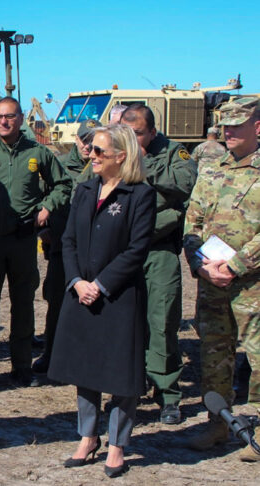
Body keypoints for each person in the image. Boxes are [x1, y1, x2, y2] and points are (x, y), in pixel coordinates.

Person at [48, 124, 156, 479]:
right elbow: (68, 240)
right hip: (81, 295)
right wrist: (77, 282)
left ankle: (117, 445)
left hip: (119, 296)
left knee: (122, 374)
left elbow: (136, 249)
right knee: (85, 368)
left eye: (98, 151)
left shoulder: (139, 195)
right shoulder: (84, 189)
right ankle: (88, 436)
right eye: (90, 149)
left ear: (120, 157)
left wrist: (102, 284)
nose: (90, 155)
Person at [0, 97, 71, 388]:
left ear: (21, 118)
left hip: (23, 240)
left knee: (23, 304)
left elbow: (63, 184)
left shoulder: (38, 152)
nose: (4, 121)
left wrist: (47, 208)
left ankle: (22, 366)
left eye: (10, 116)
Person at [183, 97, 260, 461]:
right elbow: (192, 222)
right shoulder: (211, 168)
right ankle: (218, 422)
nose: (227, 131)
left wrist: (236, 266)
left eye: (236, 125)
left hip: (252, 285)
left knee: (259, 358)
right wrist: (200, 264)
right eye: (225, 125)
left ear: (257, 127)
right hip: (211, 283)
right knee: (214, 355)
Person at [120, 104, 197, 424]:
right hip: (122, 252)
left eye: (138, 134)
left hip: (159, 250)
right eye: (127, 133)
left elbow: (185, 185)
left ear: (152, 131)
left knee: (162, 321)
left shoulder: (172, 153)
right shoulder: (112, 149)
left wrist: (142, 165)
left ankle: (167, 392)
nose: (132, 139)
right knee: (124, 323)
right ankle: (126, 389)